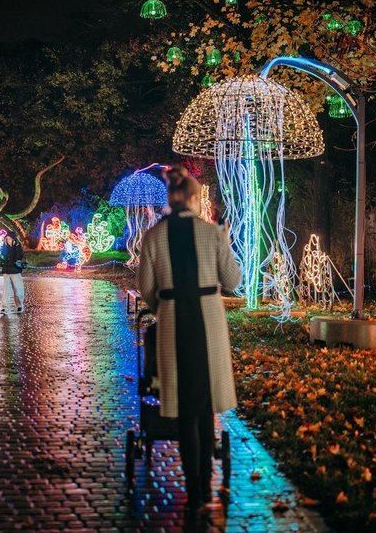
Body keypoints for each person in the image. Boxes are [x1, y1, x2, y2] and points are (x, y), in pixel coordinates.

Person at [137, 165, 240, 513]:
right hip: (208, 322)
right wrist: (224, 241)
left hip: (172, 322)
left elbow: (146, 289)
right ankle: (206, 491)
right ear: (195, 198)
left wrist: (165, 305)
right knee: (205, 404)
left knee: (184, 412)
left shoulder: (153, 237)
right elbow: (233, 279)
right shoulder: (212, 234)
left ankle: (194, 493)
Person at [0, 234, 25, 314]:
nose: (8, 240)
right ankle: (4, 307)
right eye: (7, 239)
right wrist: (1, 261)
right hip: (6, 271)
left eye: (10, 239)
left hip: (15, 271)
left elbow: (21, 256)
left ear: (14, 239)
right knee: (6, 291)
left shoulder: (18, 247)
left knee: (18, 290)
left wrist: (16, 248)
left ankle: (19, 305)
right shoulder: (4, 248)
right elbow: (1, 257)